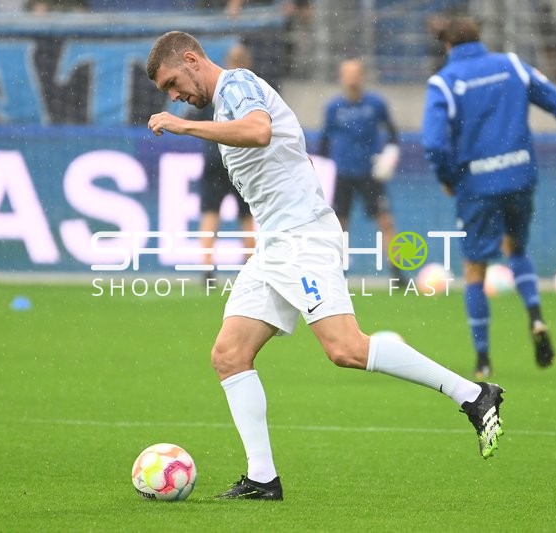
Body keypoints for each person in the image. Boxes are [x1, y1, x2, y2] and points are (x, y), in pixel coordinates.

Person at [145, 31, 504, 501]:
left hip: (303, 238)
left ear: (191, 60)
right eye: (167, 93)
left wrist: (181, 125)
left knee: (346, 349)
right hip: (275, 245)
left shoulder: (236, 86)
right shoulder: (220, 105)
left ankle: (474, 396)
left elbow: (259, 130)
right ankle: (262, 479)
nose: (174, 95)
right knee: (229, 356)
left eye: (173, 82)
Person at [421, 17, 556, 379]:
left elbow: (434, 144)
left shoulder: (444, 82)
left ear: (448, 47)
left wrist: (448, 177)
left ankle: (483, 360)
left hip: (477, 185)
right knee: (515, 250)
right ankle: (535, 316)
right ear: (479, 38)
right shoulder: (512, 65)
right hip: (520, 176)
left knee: (475, 269)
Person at [320, 59, 405, 281]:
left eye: (355, 73)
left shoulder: (376, 104)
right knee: (339, 226)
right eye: (347, 74)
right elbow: (324, 142)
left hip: (370, 173)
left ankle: (396, 272)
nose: (351, 78)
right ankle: (337, 273)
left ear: (362, 76)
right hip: (343, 174)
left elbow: (392, 132)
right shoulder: (333, 107)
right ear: (341, 77)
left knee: (385, 220)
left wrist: (390, 154)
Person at [185, 43, 255, 280]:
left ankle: (206, 265)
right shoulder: (251, 88)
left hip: (215, 156)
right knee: (246, 214)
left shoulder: (215, 87)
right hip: (240, 159)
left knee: (210, 212)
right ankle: (251, 264)